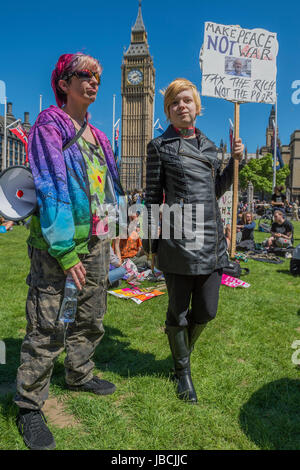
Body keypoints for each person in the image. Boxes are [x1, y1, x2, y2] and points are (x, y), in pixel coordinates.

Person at [14, 52, 124, 450]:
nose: (93, 82)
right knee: (48, 322)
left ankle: (79, 372)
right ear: (63, 83)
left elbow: (108, 188)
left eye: (97, 76)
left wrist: (119, 234)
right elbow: (50, 186)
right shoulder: (50, 124)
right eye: (84, 75)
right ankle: (29, 405)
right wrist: (64, 250)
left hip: (97, 240)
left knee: (91, 312)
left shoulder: (100, 136)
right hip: (59, 244)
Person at [143, 78, 244, 403]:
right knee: (178, 311)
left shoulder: (213, 148)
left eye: (186, 100)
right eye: (174, 102)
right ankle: (182, 371)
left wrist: (234, 163)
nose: (181, 106)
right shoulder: (159, 147)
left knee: (208, 311)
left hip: (212, 241)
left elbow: (216, 190)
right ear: (169, 111)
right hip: (178, 240)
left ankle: (181, 353)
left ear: (197, 108)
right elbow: (151, 200)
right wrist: (151, 247)